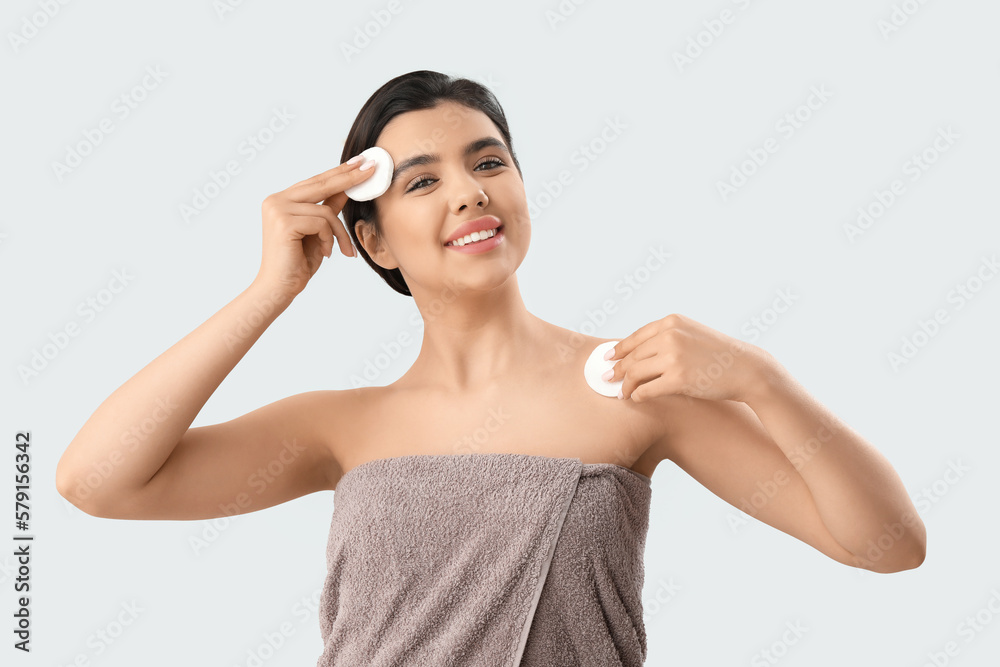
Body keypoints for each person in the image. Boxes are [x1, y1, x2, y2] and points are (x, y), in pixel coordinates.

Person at [56, 70, 927, 666]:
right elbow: (96, 481)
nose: (471, 191)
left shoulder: (633, 385)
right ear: (371, 237)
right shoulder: (338, 427)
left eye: (488, 162)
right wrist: (268, 290)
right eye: (422, 182)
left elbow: (887, 545)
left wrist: (761, 379)